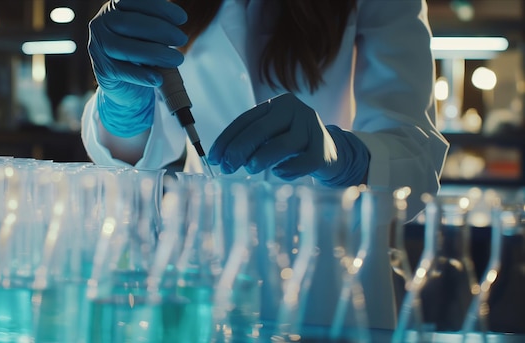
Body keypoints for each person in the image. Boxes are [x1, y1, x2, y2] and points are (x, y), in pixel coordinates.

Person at [81, 0, 449, 332]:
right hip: (199, 287)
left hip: (331, 293)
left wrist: (342, 155)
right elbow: (136, 158)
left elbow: (415, 156)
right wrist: (123, 108)